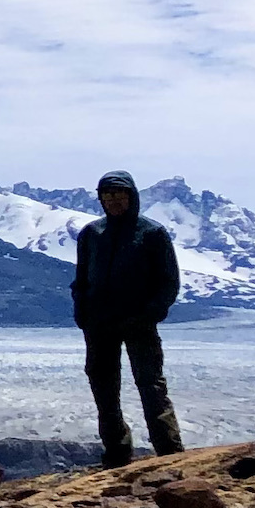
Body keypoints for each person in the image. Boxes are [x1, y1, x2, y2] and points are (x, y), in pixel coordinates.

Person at [71, 170, 184, 466]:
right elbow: (81, 279)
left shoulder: (151, 233)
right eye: (107, 195)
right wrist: (81, 311)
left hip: (139, 323)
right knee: (104, 390)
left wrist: (149, 316)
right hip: (99, 324)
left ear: (131, 196)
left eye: (119, 194)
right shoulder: (91, 234)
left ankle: (169, 454)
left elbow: (169, 282)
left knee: (151, 386)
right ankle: (117, 453)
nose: (113, 200)